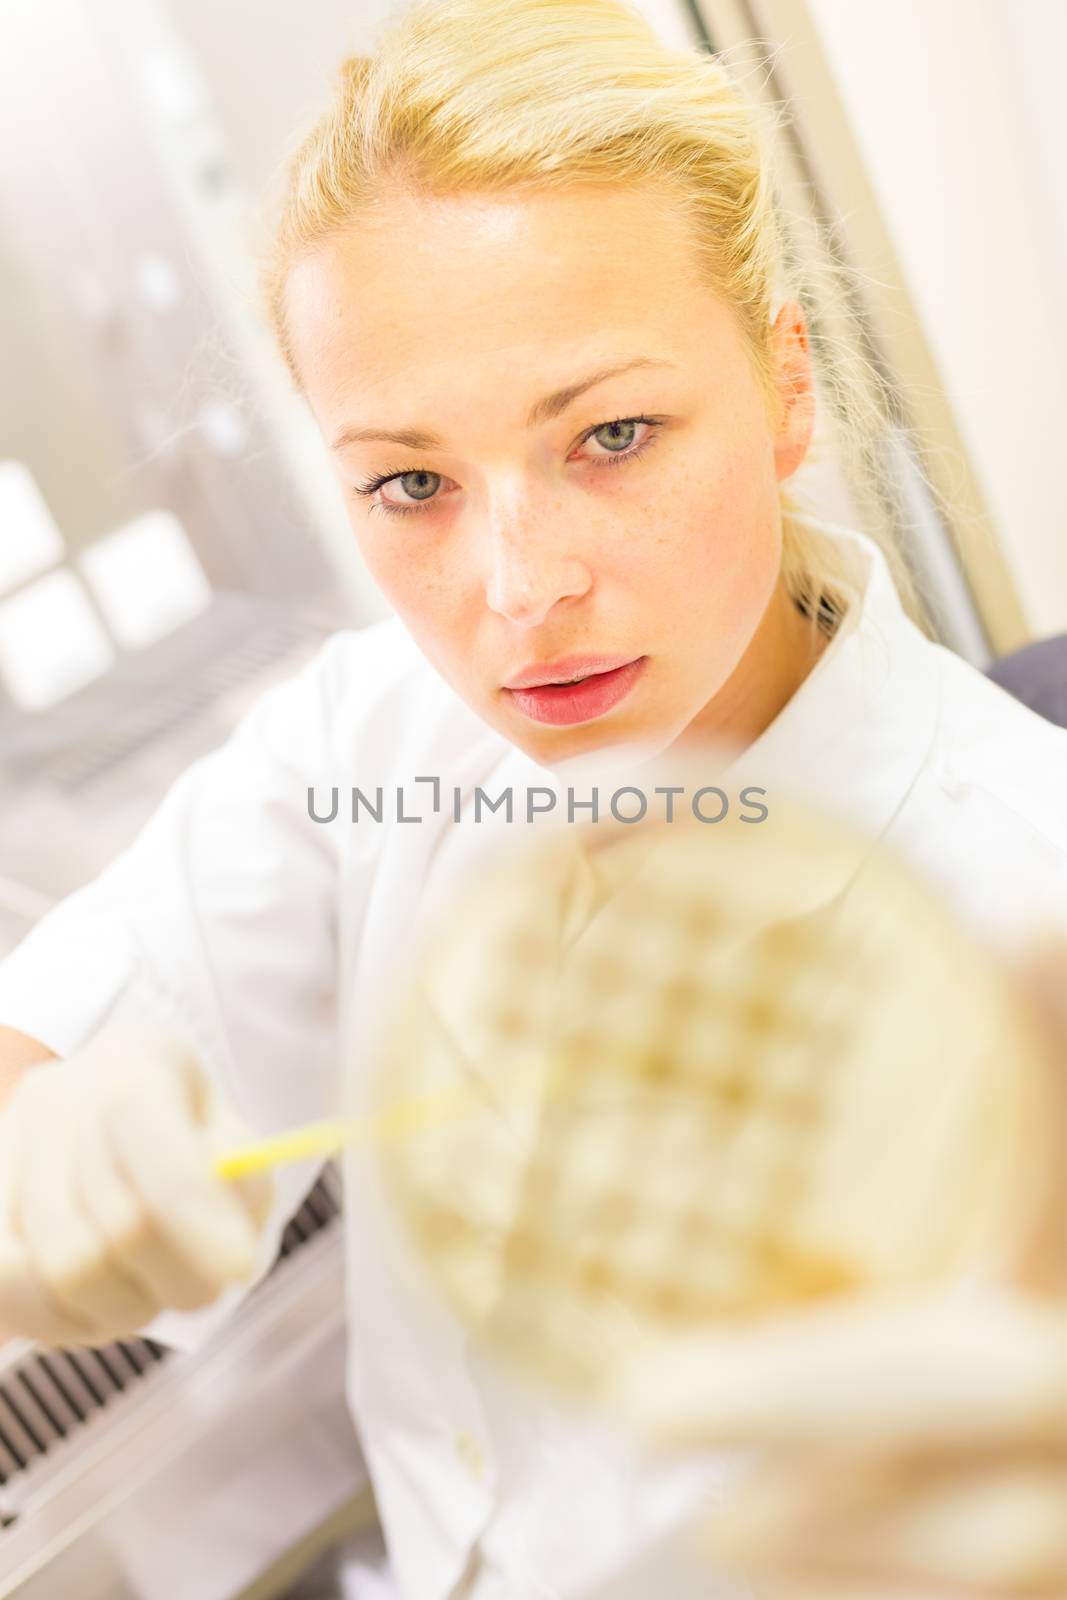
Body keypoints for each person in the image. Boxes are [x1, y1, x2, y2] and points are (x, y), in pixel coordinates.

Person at [2, 0, 1067, 1593]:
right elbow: (41, 1060)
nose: (518, 589)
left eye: (612, 436)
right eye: (410, 484)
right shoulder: (374, 742)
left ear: (785, 387)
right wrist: (40, 1141)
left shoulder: (1020, 911)